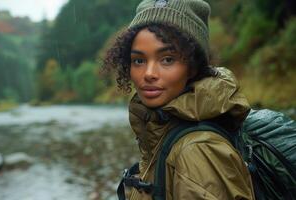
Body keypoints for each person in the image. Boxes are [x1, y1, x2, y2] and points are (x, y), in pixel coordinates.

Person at [102, 0, 255, 199]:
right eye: (138, 60)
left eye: (167, 59)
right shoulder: (165, 131)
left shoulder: (196, 152)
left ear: (193, 65)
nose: (148, 73)